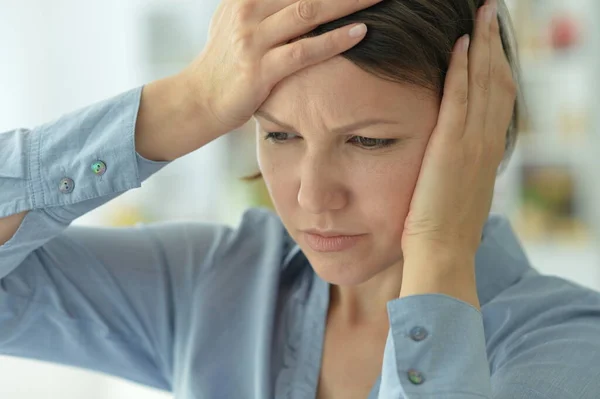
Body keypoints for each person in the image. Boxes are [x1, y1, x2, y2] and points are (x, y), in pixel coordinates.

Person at [1, 0, 599, 397]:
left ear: (480, 134)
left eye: (368, 140)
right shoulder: (213, 284)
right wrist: (186, 104)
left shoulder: (568, 344)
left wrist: (439, 254)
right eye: (279, 134)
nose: (313, 195)